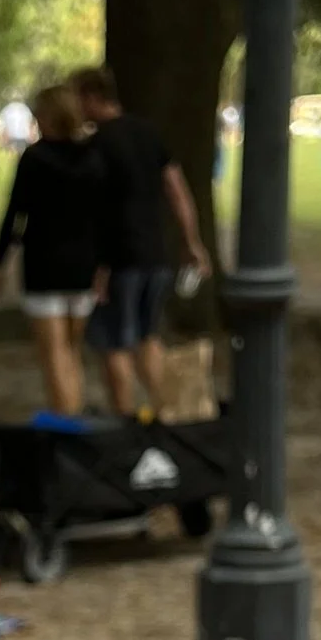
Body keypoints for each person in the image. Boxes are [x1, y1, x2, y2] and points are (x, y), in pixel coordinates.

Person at [71, 61, 212, 417]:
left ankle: (126, 420)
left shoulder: (97, 145)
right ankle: (169, 410)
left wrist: (98, 266)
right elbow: (177, 190)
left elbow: (96, 211)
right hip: (156, 255)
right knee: (148, 337)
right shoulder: (148, 133)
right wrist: (191, 241)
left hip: (119, 259)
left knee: (113, 344)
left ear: (91, 97)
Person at [0, 80, 109, 417]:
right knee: (72, 350)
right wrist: (104, 264)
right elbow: (104, 218)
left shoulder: (35, 159)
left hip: (44, 264)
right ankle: (75, 412)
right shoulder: (94, 159)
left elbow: (15, 215)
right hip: (83, 265)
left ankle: (65, 421)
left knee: (53, 353)